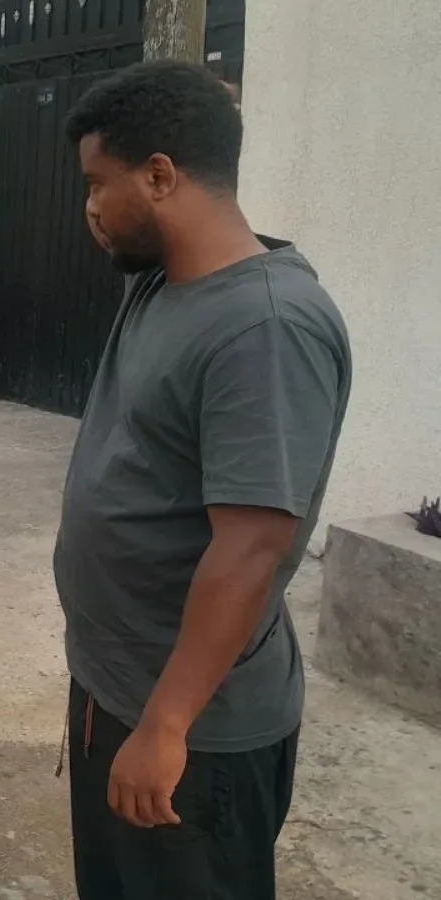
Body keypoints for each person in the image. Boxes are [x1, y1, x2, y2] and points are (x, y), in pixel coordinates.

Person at [53, 60, 352, 899]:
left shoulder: (265, 328)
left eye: (98, 184)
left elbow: (253, 547)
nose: (89, 208)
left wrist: (166, 725)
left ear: (160, 176)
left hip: (191, 732)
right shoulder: (161, 282)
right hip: (115, 688)